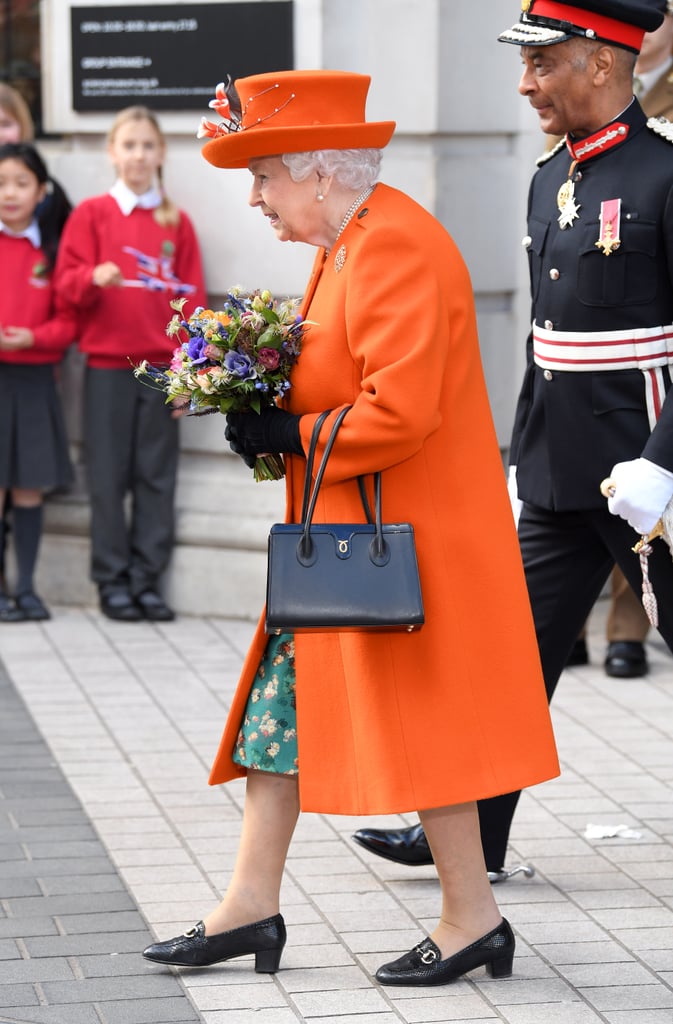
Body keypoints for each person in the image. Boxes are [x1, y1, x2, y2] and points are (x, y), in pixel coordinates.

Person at [140, 69, 560, 987]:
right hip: (346, 541)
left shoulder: (394, 244)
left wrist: (285, 432)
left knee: (425, 728)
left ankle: (470, 918)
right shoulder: (349, 239)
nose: (254, 198)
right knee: (274, 719)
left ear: (320, 173)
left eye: (264, 178)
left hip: (399, 543)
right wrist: (255, 393)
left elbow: (398, 412)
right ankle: (250, 907)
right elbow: (339, 372)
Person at [353, 0, 673, 878]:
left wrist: (662, 465)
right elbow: (547, 341)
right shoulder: (549, 178)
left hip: (646, 476)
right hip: (557, 473)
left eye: (544, 63)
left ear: (603, 64)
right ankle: (468, 839)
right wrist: (516, 459)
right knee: (505, 663)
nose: (525, 82)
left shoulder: (662, 175)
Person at [55, 106, 206, 622]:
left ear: (161, 153)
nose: (139, 155)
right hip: (107, 368)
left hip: (163, 372)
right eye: (129, 145)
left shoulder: (176, 222)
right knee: (106, 476)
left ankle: (147, 581)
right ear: (112, 153)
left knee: (156, 477)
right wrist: (90, 278)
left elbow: (193, 302)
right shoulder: (91, 216)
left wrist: (192, 376)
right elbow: (64, 287)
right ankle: (112, 580)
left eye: (147, 145)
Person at [567, 6, 673, 679]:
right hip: (589, 326)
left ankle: (624, 630)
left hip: (648, 348)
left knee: (640, 502)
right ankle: (570, 625)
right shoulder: (580, 103)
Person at [0, 84, 73, 595]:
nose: (9, 193)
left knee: (27, 487)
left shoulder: (54, 248)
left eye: (21, 183)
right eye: (1, 182)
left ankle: (26, 587)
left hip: (33, 381)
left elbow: (68, 323)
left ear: (41, 191)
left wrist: (34, 338)